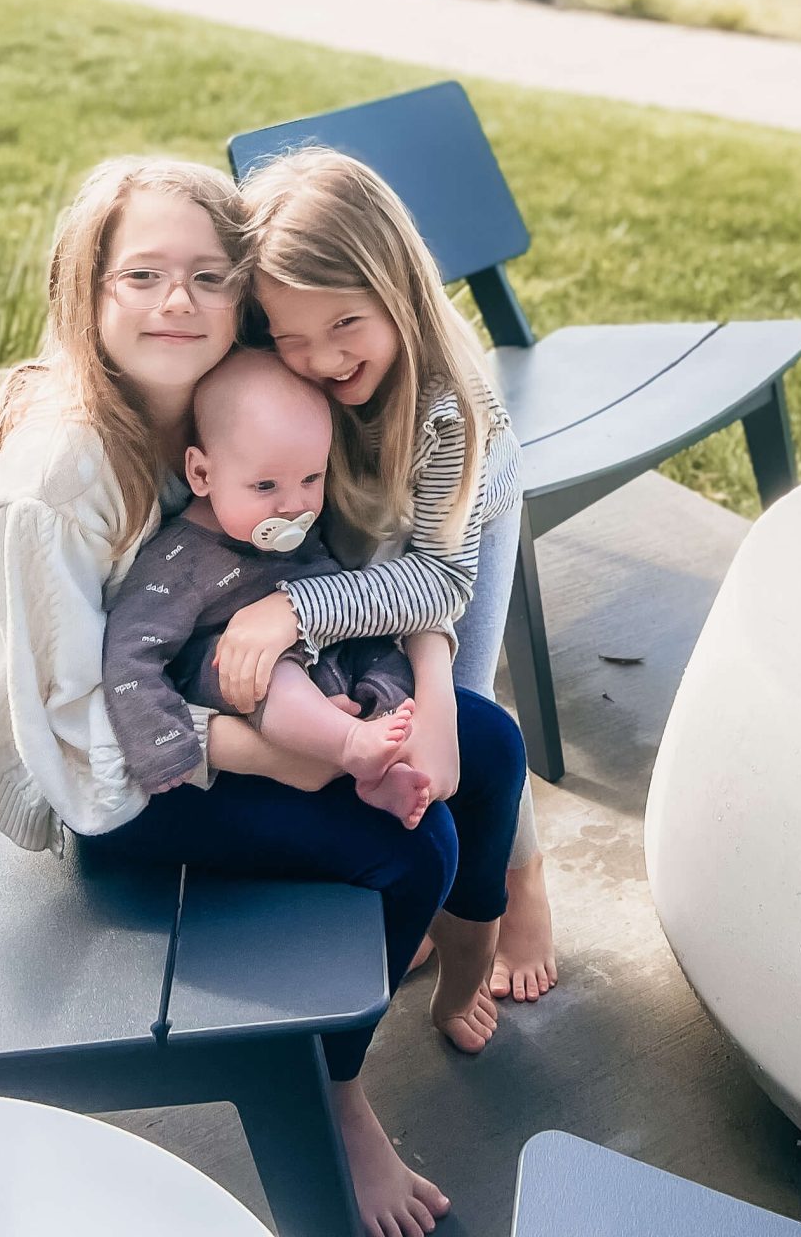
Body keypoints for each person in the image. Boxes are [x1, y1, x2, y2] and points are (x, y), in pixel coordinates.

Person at [0, 154, 502, 1237]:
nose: (178, 302)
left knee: (482, 745)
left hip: (232, 696)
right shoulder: (56, 483)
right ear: (86, 288)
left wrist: (392, 685)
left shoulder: (230, 390)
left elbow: (338, 548)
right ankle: (335, 1097)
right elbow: (74, 742)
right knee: (412, 848)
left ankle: (458, 958)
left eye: (209, 276)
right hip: (119, 784)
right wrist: (270, 754)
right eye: (142, 275)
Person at [220, 148, 559, 1047]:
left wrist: (298, 612)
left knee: (470, 711)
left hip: (460, 522)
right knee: (404, 713)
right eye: (291, 336)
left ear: (398, 290)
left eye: (344, 324)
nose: (320, 357)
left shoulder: (449, 405)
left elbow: (438, 580)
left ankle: (522, 887)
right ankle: (443, 892)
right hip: (370, 525)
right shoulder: (295, 361)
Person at [103, 350, 434, 826]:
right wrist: (163, 745)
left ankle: (378, 764)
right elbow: (130, 652)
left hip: (322, 652)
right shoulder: (177, 561)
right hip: (239, 672)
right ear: (201, 473)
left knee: (383, 653)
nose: (294, 505)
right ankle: (348, 743)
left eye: (311, 478)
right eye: (265, 485)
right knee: (268, 672)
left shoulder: (297, 524)